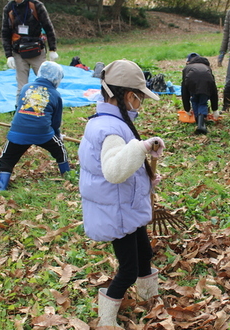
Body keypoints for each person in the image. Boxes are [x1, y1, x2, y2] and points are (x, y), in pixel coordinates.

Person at [78, 60, 165, 329]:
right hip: (116, 214)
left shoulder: (110, 122)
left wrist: (147, 176)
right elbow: (114, 171)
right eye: (140, 99)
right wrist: (140, 148)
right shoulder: (110, 129)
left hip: (124, 207)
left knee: (145, 254)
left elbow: (123, 166)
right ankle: (106, 320)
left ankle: (149, 297)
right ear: (129, 96)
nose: (140, 105)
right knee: (127, 269)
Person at [0, 61, 68, 192]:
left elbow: (18, 107)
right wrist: (57, 135)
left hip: (18, 131)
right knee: (60, 151)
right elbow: (55, 122)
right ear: (57, 78)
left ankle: (1, 186)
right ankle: (67, 175)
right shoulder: (55, 94)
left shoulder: (25, 88)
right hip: (43, 133)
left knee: (7, 158)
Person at [1, 0, 59, 103]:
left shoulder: (36, 5)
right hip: (18, 51)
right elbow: (5, 32)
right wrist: (9, 55)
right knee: (22, 86)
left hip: (37, 51)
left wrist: (52, 49)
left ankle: (47, 108)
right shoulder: (9, 8)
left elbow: (48, 27)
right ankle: (20, 111)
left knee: (45, 83)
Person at [181, 52, 219, 135]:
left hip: (191, 81)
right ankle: (201, 124)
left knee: (194, 100)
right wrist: (215, 109)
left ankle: (199, 122)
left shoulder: (187, 68)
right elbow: (214, 91)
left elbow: (184, 91)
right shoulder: (207, 68)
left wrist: (187, 108)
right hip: (207, 82)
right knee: (202, 102)